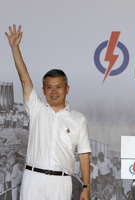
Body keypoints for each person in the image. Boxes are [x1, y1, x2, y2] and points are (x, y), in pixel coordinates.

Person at [5, 25, 91, 200]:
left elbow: (83, 155)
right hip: (33, 180)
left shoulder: (79, 119)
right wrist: (15, 48)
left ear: (67, 89)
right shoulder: (37, 109)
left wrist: (86, 187)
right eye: (49, 87)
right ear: (43, 90)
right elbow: (24, 78)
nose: (54, 91)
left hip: (60, 184)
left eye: (58, 87)